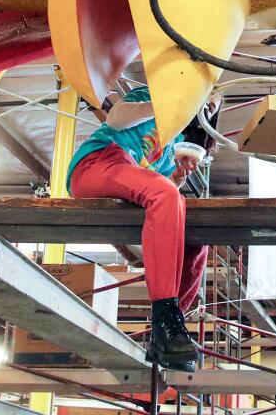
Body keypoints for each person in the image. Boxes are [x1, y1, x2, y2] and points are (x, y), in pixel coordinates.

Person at [68, 86, 217, 370]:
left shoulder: (172, 146)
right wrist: (171, 99)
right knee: (167, 194)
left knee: (197, 234)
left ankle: (174, 328)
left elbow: (158, 196)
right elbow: (115, 120)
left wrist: (175, 177)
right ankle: (165, 318)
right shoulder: (148, 96)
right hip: (97, 163)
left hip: (125, 177)